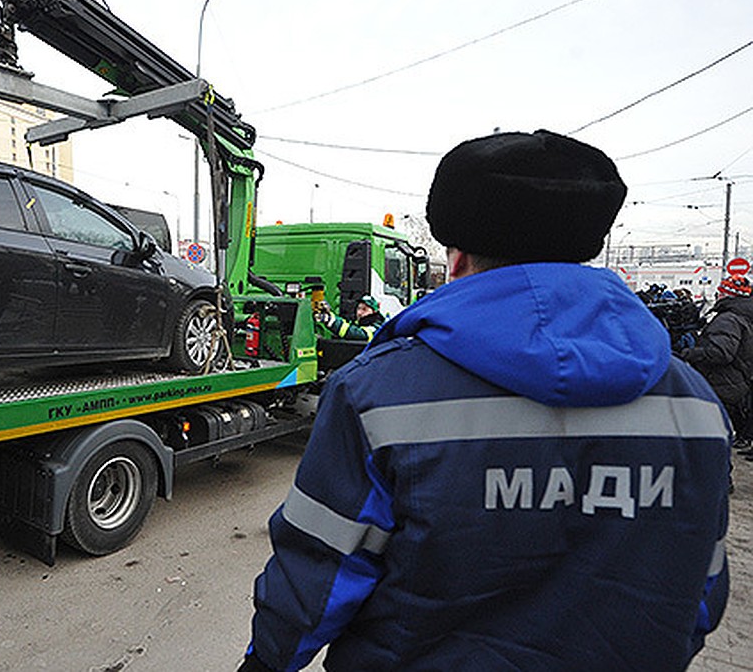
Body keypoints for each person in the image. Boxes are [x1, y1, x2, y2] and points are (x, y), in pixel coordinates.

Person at [240, 130, 729, 671]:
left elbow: (316, 577)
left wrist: (266, 662)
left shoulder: (377, 395)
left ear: (456, 260)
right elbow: (699, 592)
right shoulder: (697, 407)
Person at [679, 274, 753, 455]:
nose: (717, 295)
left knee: (710, 438)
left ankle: (719, 481)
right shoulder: (742, 316)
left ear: (727, 295)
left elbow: (722, 353)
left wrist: (689, 353)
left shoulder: (728, 319)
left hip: (721, 383)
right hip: (734, 382)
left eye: (720, 292)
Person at [314, 295, 385, 341]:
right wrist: (329, 314)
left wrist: (331, 321)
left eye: (364, 309)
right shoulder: (358, 323)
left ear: (374, 311)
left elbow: (359, 334)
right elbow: (346, 325)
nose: (359, 312)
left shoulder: (378, 326)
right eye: (358, 308)